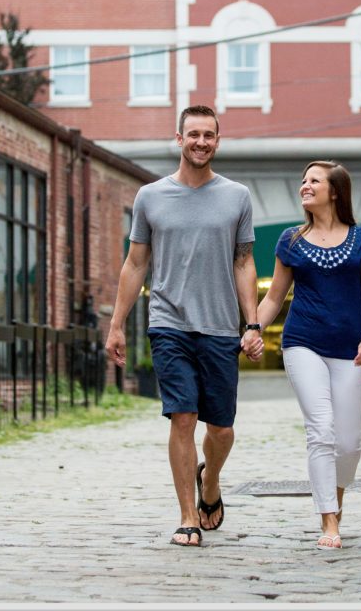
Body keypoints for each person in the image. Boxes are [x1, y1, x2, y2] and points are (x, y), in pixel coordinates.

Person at [105, 105, 263, 548]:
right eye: (192, 134)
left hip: (219, 328)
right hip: (168, 322)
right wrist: (117, 325)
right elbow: (136, 263)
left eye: (208, 135)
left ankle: (209, 480)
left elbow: (244, 261)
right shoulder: (150, 196)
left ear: (218, 140)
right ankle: (188, 516)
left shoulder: (237, 196)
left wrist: (251, 323)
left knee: (222, 429)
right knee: (182, 418)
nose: (200, 142)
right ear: (179, 139)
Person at [253, 160, 361, 550]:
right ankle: (328, 520)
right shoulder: (290, 240)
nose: (305, 186)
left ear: (335, 191)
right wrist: (252, 329)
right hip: (302, 342)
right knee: (321, 429)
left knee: (348, 443)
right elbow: (275, 296)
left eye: (314, 181)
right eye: (303, 181)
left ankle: (336, 503)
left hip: (351, 349)